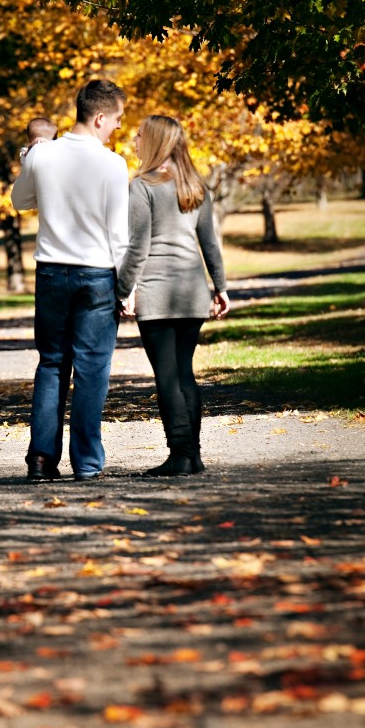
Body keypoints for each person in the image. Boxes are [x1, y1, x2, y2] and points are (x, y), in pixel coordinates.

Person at [11, 79, 129, 481]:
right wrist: (127, 288)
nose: (117, 128)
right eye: (116, 120)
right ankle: (87, 462)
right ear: (99, 118)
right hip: (97, 273)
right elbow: (119, 235)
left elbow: (20, 201)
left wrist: (30, 160)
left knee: (52, 364)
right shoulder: (112, 164)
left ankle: (42, 459)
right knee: (93, 367)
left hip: (51, 271)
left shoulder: (42, 156)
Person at [117, 115, 230, 477]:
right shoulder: (195, 186)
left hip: (158, 293)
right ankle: (192, 455)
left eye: (139, 136)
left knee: (167, 376)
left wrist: (121, 289)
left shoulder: (142, 186)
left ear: (154, 142)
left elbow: (138, 247)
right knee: (184, 373)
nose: (134, 141)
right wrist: (221, 287)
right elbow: (209, 243)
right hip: (193, 291)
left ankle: (180, 453)